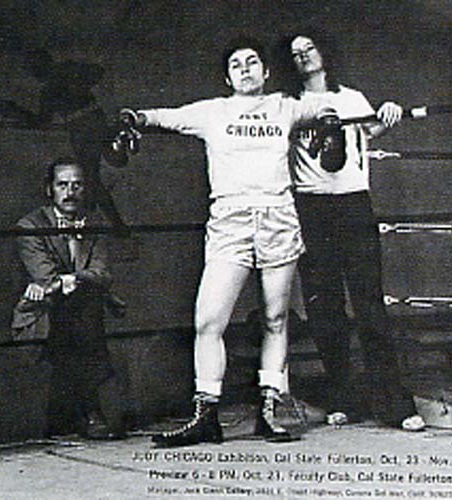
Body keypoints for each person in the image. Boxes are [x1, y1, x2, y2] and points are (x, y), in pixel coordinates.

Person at [121, 36, 337, 446]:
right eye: (236, 65)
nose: (245, 69)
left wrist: (327, 120)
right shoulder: (212, 112)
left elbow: (323, 107)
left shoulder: (284, 106)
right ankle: (206, 416)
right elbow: (164, 117)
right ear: (227, 77)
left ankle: (269, 411)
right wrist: (135, 117)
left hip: (277, 218)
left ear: (265, 71)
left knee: (276, 318)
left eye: (252, 62)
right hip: (230, 222)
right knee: (208, 320)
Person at [276, 30, 425, 431]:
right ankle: (342, 397)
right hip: (310, 207)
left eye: (309, 48)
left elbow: (375, 128)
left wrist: (390, 111)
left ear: (324, 51)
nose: (303, 56)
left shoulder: (352, 98)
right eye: (295, 53)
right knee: (324, 308)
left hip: (353, 204)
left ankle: (395, 404)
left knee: (369, 305)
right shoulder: (288, 104)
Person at [11, 158, 127, 440]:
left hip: (81, 310)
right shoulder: (30, 226)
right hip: (42, 312)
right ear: (49, 189)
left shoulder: (95, 224)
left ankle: (79, 415)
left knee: (82, 308)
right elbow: (45, 277)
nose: (70, 192)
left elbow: (102, 274)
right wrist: (71, 281)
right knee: (81, 312)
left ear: (86, 190)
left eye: (77, 185)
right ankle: (91, 410)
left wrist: (69, 280)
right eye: (62, 185)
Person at [0, 48, 129, 232]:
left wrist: (16, 112)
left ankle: (113, 224)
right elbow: (43, 121)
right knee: (94, 175)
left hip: (85, 130)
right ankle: (107, 221)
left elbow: (42, 122)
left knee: (92, 177)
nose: (34, 74)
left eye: (34, 68)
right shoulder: (55, 84)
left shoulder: (58, 80)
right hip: (92, 124)